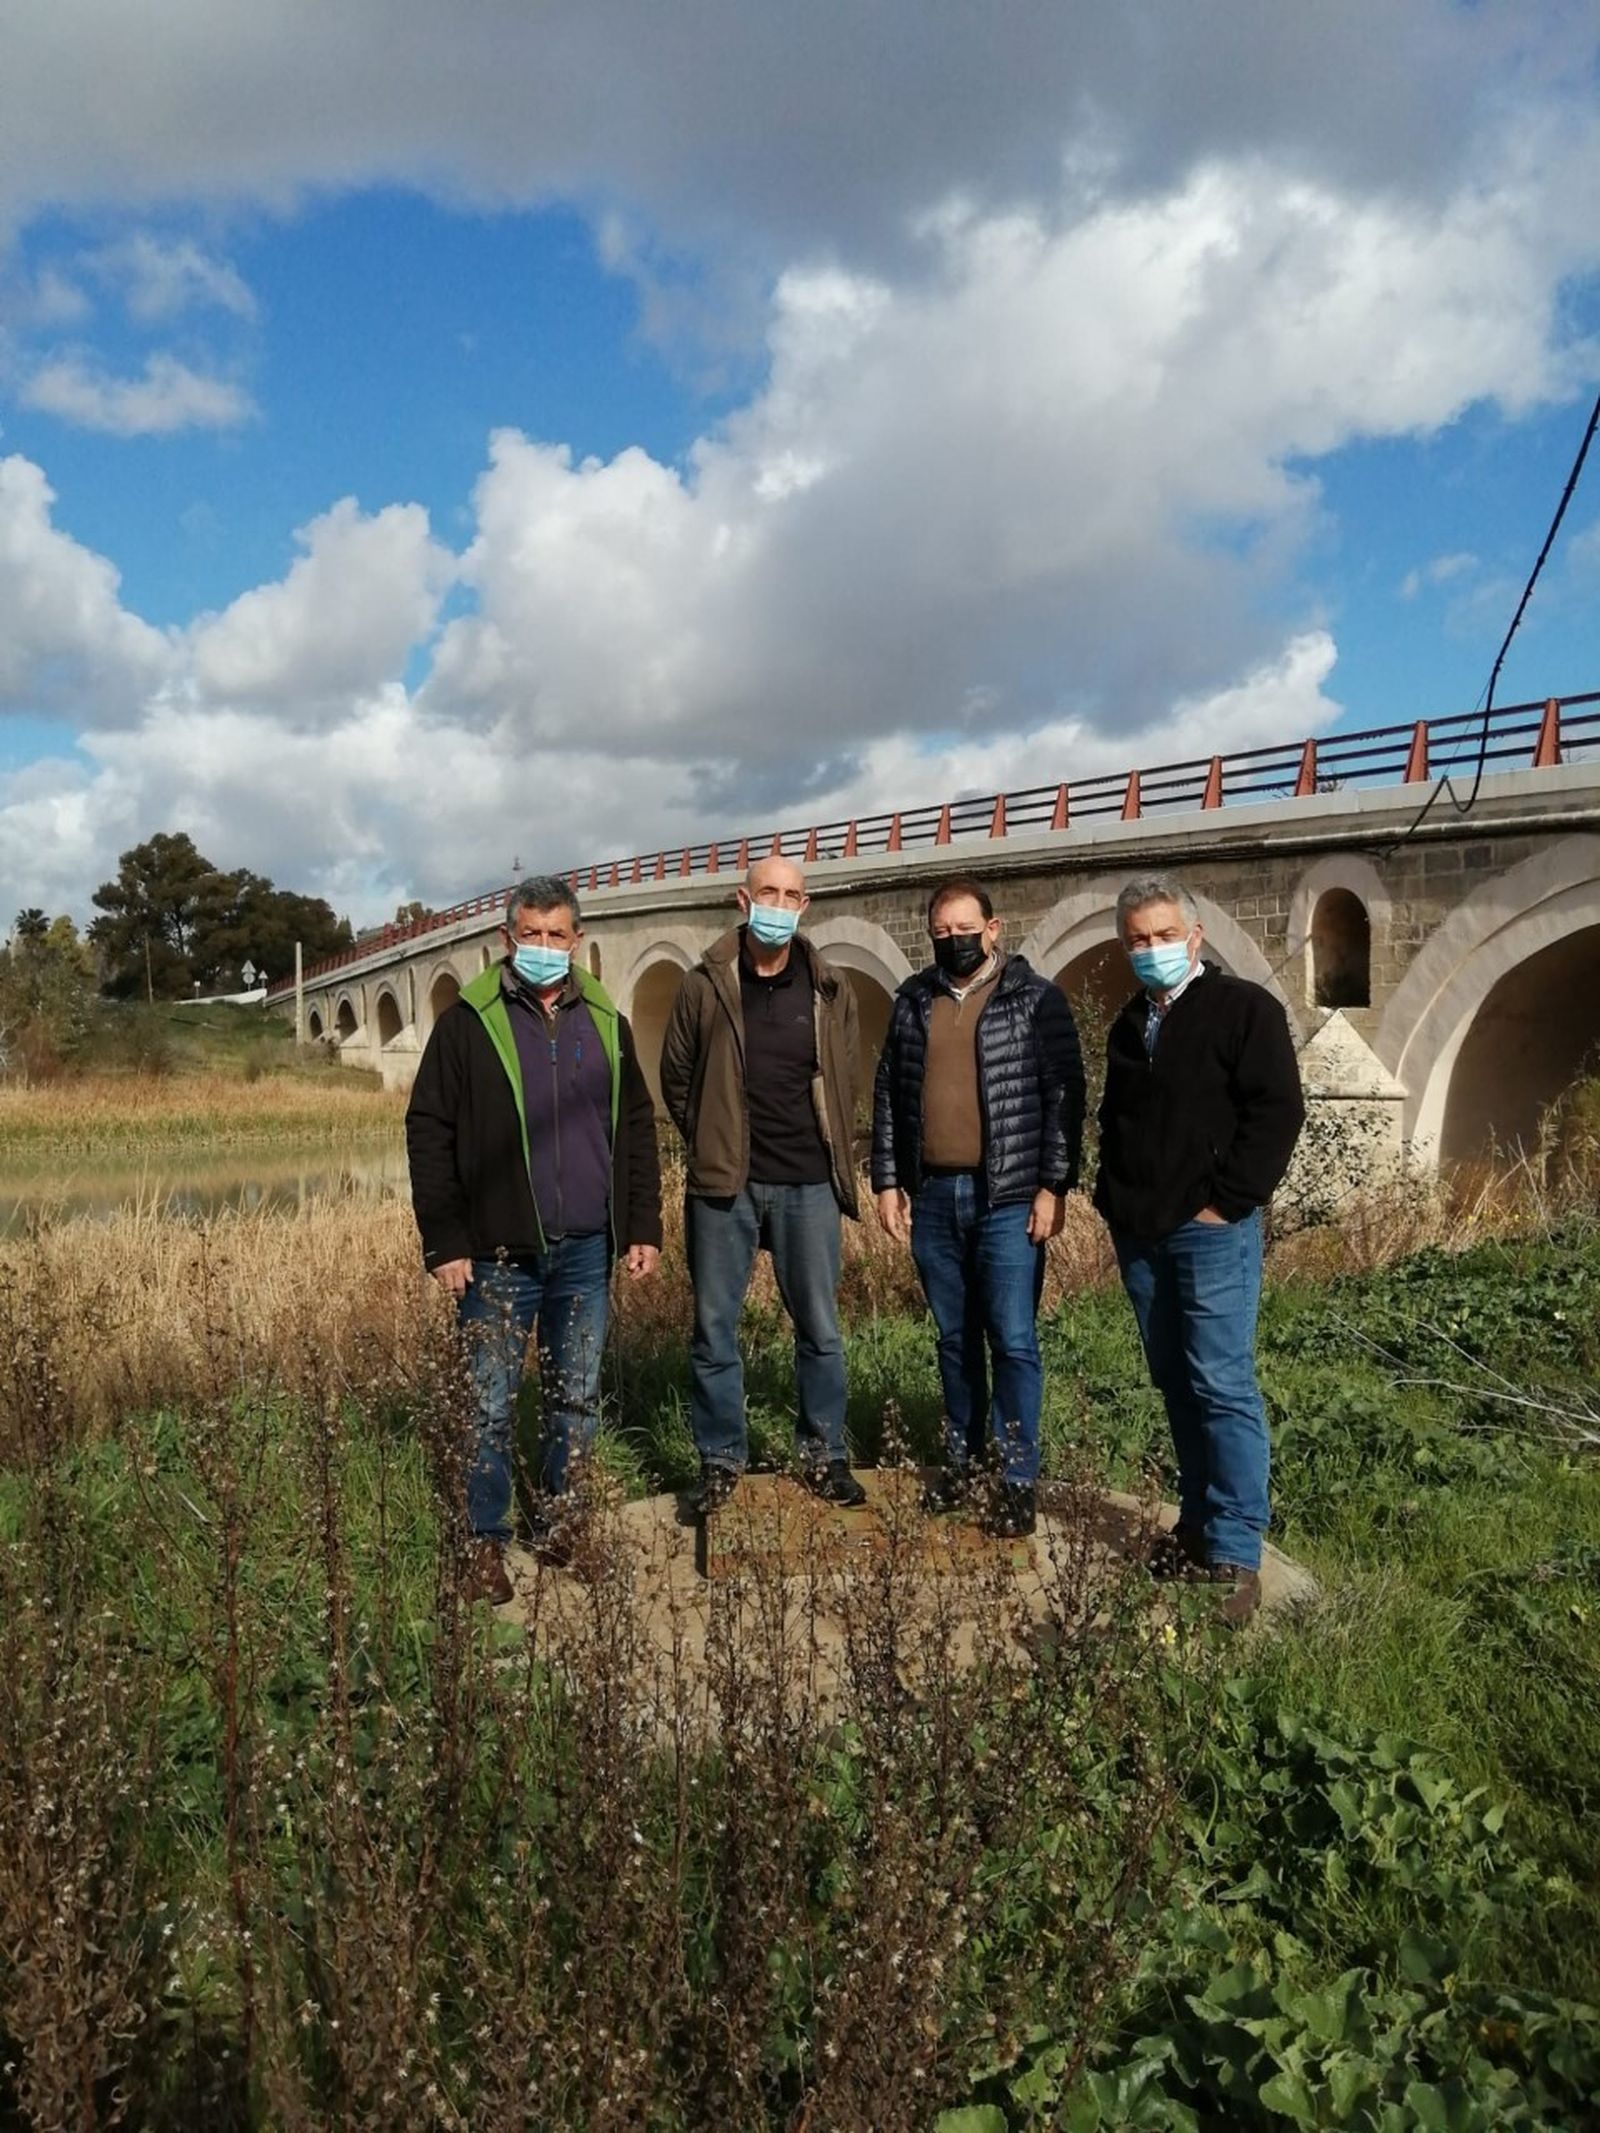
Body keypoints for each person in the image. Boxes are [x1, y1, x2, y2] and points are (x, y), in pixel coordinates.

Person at [406, 875, 662, 1604]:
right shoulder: (467, 1024)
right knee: (487, 1404)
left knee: (575, 1398)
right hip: (496, 1253)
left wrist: (641, 1224)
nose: (544, 946)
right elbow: (428, 1130)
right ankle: (482, 1544)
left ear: (577, 940)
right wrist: (445, 1240)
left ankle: (562, 1527)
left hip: (586, 1248)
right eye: (531, 934)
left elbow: (635, 1125)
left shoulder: (607, 1020)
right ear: (506, 938)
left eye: (556, 935)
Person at [1094, 874, 1304, 1624]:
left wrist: (1227, 1203)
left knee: (1221, 1382)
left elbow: (1278, 1111)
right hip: (1142, 1232)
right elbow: (1117, 1119)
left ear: (1195, 936)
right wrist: (1113, 1200)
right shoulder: (1131, 1024)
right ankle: (1196, 1525)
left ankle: (1236, 1551)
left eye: (1163, 935)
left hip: (1210, 1230)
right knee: (1176, 1380)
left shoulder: (1244, 1008)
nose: (1151, 949)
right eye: (1137, 940)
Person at [872, 876, 1084, 1538]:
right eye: (942, 931)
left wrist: (1053, 1187)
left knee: (1013, 1340)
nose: (954, 940)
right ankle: (961, 1462)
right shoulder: (913, 1001)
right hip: (934, 1195)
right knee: (954, 1338)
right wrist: (887, 1179)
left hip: (1009, 1199)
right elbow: (888, 1092)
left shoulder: (1035, 999)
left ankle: (1016, 1477)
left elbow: (1065, 1097)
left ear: (993, 930)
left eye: (965, 929)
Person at [660, 852, 868, 1515]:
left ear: (805, 905)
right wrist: (713, 1139)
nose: (779, 904)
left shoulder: (830, 985)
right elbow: (677, 1078)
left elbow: (846, 1076)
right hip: (727, 1186)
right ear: (742, 900)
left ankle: (825, 1454)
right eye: (767, 892)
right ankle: (721, 1460)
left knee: (820, 1328)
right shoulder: (704, 983)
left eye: (791, 895)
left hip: (809, 1181)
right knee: (713, 1329)